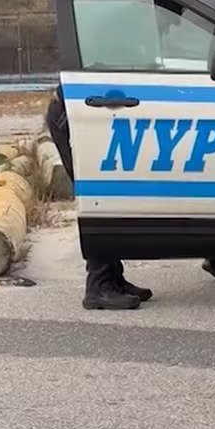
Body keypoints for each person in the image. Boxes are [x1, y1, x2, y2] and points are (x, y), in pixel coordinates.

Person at [45, 84, 153, 310]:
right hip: (81, 107)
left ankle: (112, 278)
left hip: (90, 104)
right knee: (99, 194)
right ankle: (98, 286)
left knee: (109, 193)